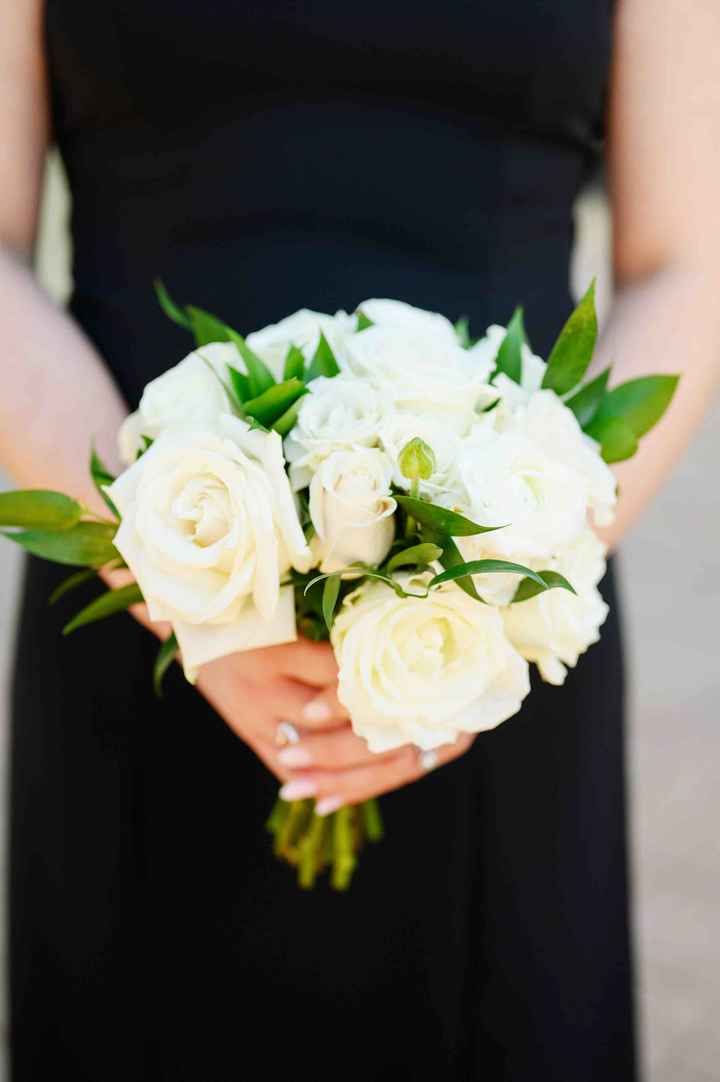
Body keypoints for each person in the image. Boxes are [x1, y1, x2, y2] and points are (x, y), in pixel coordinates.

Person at [2, 1, 718, 1079]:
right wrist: (178, 571)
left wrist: (508, 580)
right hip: (138, 607)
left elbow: (687, 263)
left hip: (490, 660)